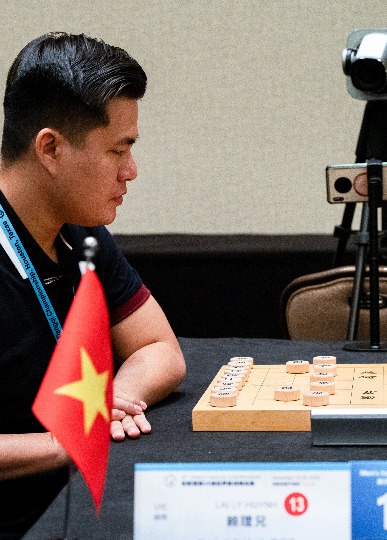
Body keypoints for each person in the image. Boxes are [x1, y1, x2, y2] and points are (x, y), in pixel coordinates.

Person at [0, 33, 186, 538]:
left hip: (76, 511)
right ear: (51, 148)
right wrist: (69, 440)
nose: (131, 171)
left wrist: (113, 401)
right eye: (116, 150)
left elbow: (158, 348)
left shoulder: (79, 233)